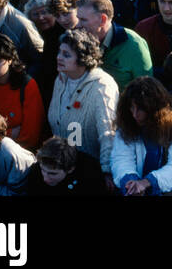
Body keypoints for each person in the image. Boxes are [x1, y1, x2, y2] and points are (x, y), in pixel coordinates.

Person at [48, 28, 120, 179]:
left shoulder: (103, 86)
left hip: (90, 173)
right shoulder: (60, 78)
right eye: (59, 52)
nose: (58, 58)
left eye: (66, 55)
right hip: (61, 168)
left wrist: (106, 171)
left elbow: (108, 134)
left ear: (83, 58)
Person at [110, 76, 172, 195]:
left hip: (168, 189)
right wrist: (130, 182)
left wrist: (147, 182)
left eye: (140, 109)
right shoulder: (126, 120)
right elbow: (121, 157)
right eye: (132, 107)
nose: (134, 114)